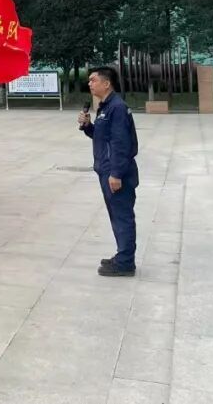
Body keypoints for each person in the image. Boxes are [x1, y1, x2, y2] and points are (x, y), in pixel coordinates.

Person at [79, 66, 139, 277]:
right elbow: (103, 137)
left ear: (106, 84)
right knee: (117, 216)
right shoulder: (105, 107)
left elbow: (121, 143)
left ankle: (125, 263)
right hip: (107, 170)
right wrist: (88, 126)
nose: (90, 83)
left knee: (122, 217)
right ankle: (123, 255)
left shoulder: (117, 107)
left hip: (116, 173)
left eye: (93, 80)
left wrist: (116, 174)